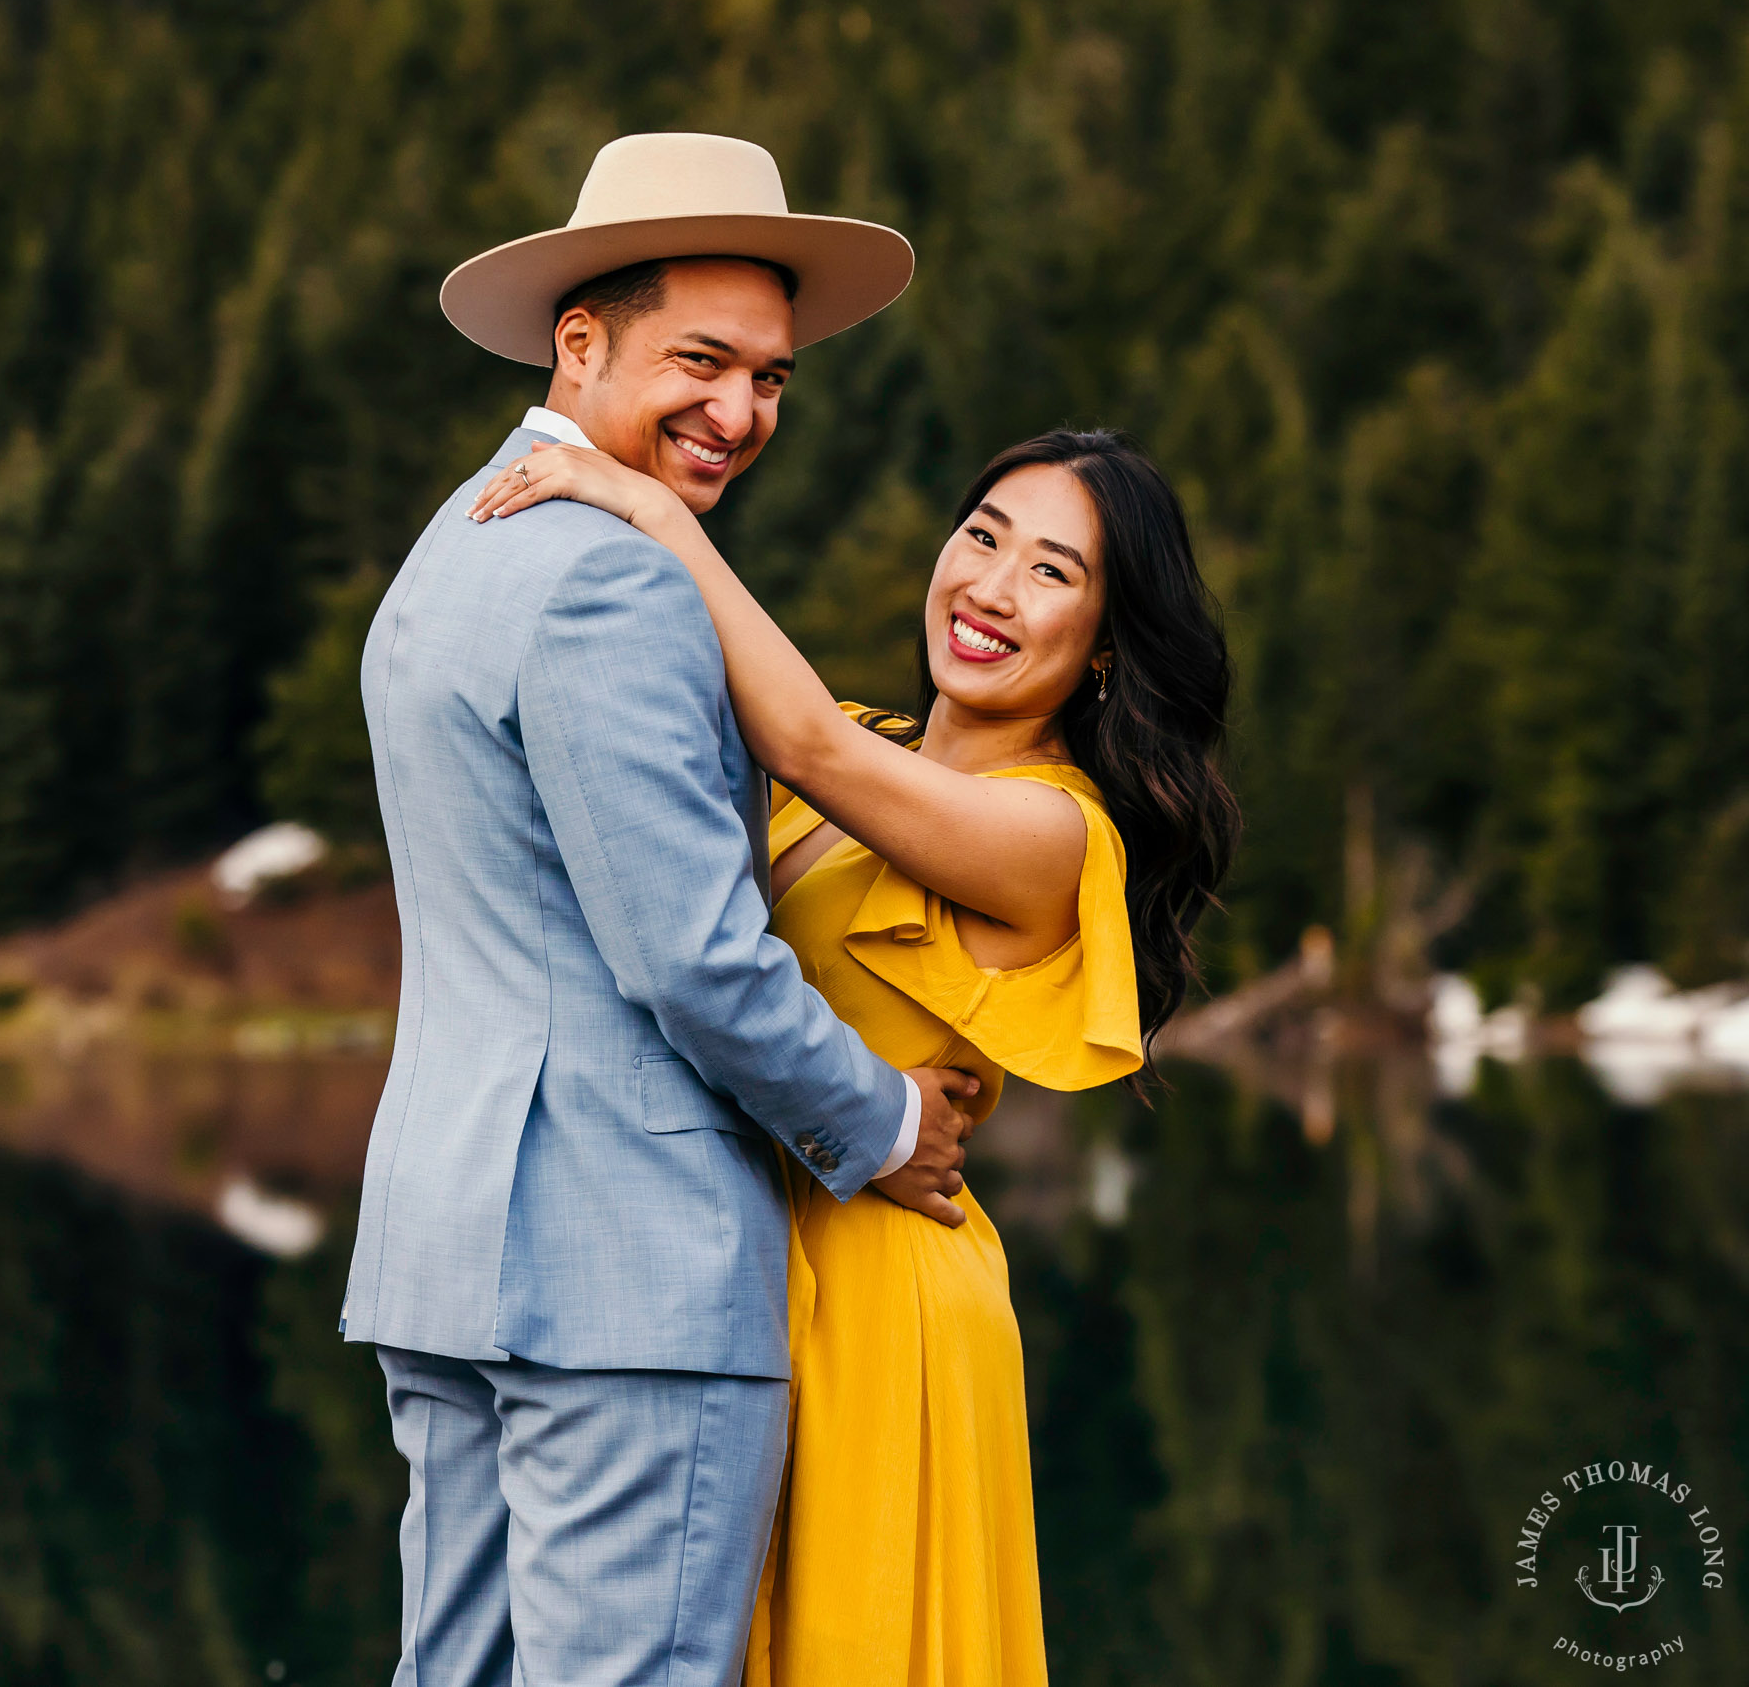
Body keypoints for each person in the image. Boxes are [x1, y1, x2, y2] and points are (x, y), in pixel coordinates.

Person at [340, 131, 982, 1687]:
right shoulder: (611, 580)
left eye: (770, 377)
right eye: (704, 359)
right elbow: (691, 956)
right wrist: (888, 1123)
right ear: (582, 338)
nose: (740, 410)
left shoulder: (448, 550)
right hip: (625, 1279)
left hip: (448, 1254)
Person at [470, 425, 1241, 1684]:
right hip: (735, 1264)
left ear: (1105, 645)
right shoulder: (867, 745)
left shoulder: (1052, 830)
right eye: (981, 536)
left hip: (884, 1300)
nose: (990, 588)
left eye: (1051, 571)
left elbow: (806, 744)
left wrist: (655, 511)